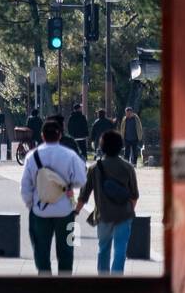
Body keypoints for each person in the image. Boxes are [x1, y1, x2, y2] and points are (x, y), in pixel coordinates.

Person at [20, 117, 87, 275]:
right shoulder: (70, 155)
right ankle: (64, 283)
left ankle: (45, 279)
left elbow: (25, 187)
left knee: (40, 250)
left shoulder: (32, 156)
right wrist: (67, 185)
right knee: (67, 249)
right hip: (66, 209)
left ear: (42, 135)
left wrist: (31, 204)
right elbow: (81, 180)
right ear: (59, 135)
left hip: (40, 209)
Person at [75, 129, 139, 274]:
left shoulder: (94, 168)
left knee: (103, 248)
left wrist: (76, 211)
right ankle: (116, 279)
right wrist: (129, 210)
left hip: (103, 215)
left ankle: (103, 279)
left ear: (102, 147)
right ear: (121, 146)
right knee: (120, 250)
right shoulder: (128, 167)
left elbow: (84, 195)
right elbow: (134, 195)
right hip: (124, 215)